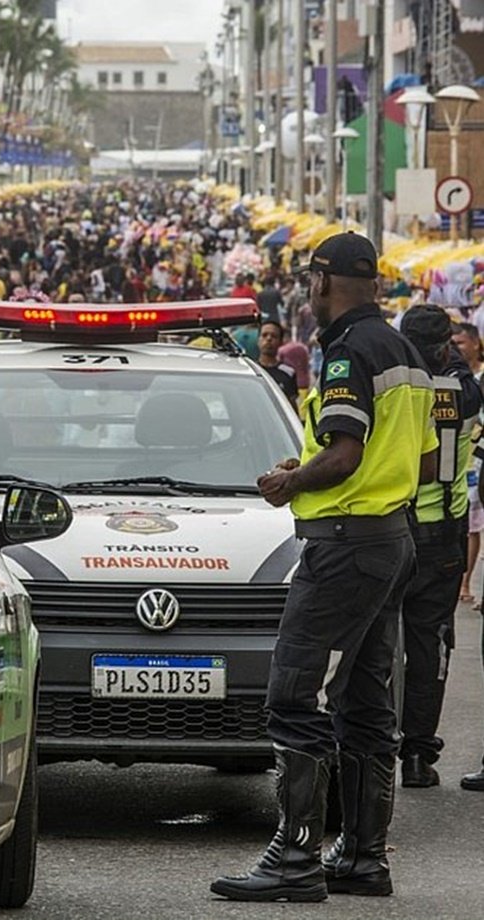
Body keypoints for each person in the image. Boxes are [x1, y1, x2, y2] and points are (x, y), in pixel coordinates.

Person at [212, 233, 437, 902]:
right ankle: (364, 857)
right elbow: (422, 463)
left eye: (310, 282)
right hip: (390, 538)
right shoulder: (406, 352)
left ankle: (295, 857)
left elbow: (342, 455)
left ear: (320, 280)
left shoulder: (346, 352)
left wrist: (292, 482)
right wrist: (318, 471)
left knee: (293, 694)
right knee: (365, 705)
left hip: (343, 545)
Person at [397, 307, 482, 788]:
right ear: (445, 344)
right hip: (441, 535)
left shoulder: (390, 384)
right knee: (428, 646)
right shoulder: (464, 390)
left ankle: (368, 748)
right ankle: (417, 754)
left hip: (391, 524)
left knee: (375, 643)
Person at [452, 322, 484, 604]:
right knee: (469, 521)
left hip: (478, 460)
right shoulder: (453, 377)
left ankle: (465, 582)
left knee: (474, 524)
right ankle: (463, 581)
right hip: (462, 460)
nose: (456, 349)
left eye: (460, 343)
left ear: (475, 344)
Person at [257, 319, 299, 410]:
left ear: (280, 342)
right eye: (264, 335)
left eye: (274, 336)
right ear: (258, 340)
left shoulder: (288, 373)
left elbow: (292, 407)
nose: (268, 339)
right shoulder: (251, 370)